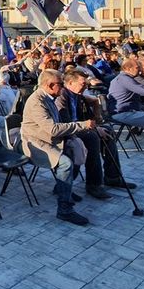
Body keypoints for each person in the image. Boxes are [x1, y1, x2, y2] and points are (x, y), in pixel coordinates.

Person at [21, 69, 92, 226]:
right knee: (65, 163)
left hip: (48, 139)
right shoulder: (37, 101)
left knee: (76, 148)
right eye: (60, 84)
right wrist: (82, 125)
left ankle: (63, 189)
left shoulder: (50, 97)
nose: (63, 86)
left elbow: (58, 124)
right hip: (35, 143)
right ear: (50, 85)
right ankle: (64, 209)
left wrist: (74, 135)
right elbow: (52, 129)